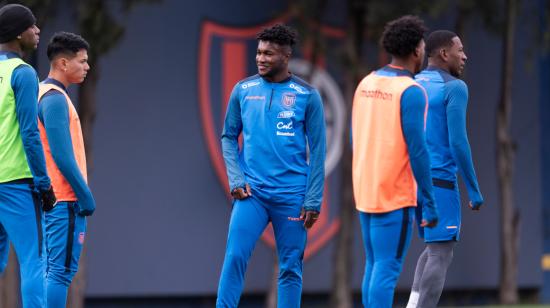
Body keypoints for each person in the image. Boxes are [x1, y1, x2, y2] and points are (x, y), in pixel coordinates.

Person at [216, 24, 326, 308]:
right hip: (253, 194)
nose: (261, 58)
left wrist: (313, 199)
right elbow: (228, 136)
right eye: (259, 52)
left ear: (286, 56)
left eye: (269, 53)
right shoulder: (243, 90)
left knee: (290, 267)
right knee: (235, 257)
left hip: (292, 196)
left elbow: (318, 151)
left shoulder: (307, 95)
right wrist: (236, 178)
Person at [351, 15, 438, 308]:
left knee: (373, 265)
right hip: (394, 195)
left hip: (366, 190)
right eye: (423, 46)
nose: (424, 51)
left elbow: (356, 137)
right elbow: (418, 151)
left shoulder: (366, 82)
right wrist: (428, 200)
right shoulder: (411, 91)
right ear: (415, 50)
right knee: (386, 269)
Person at [406, 30, 484, 308]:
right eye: (459, 50)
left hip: (409, 182)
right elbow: (458, 142)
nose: (465, 56)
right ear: (443, 53)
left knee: (431, 250)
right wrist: (474, 190)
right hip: (438, 181)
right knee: (441, 253)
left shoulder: (412, 83)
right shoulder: (454, 87)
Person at [0, 3, 56, 307]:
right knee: (34, 260)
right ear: (18, 33)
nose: (37, 31)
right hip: (17, 181)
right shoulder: (22, 73)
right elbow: (30, 133)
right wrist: (44, 183)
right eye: (32, 26)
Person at [37, 31, 95, 308]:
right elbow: (61, 154)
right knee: (60, 273)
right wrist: (85, 195)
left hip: (55, 199)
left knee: (53, 271)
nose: (87, 67)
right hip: (65, 199)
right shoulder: (55, 98)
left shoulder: (44, 93)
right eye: (82, 61)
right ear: (62, 63)